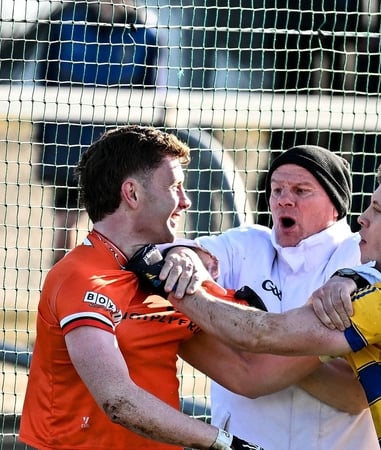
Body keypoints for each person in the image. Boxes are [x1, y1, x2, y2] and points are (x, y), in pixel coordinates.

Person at [141, 158, 381, 449]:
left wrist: (170, 288)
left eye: (378, 211)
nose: (362, 219)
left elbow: (258, 335)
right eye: (277, 188)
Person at [19, 125, 341, 450]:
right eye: (175, 186)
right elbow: (118, 400)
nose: (186, 201)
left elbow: (250, 371)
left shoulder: (169, 278)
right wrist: (223, 442)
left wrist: (346, 330)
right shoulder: (81, 276)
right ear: (132, 194)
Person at [171, 145, 380, 449]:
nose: (284, 199)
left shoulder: (359, 256)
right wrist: (181, 255)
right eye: (277, 189)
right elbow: (195, 257)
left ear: (335, 205)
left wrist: (250, 343)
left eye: (301, 190)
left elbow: (354, 396)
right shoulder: (248, 242)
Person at [35, 0, 161, 264]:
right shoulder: (66, 23)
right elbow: (46, 81)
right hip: (68, 139)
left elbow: (151, 97)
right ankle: (61, 292)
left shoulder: (147, 33)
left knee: (116, 227)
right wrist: (45, 138)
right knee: (65, 226)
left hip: (118, 147)